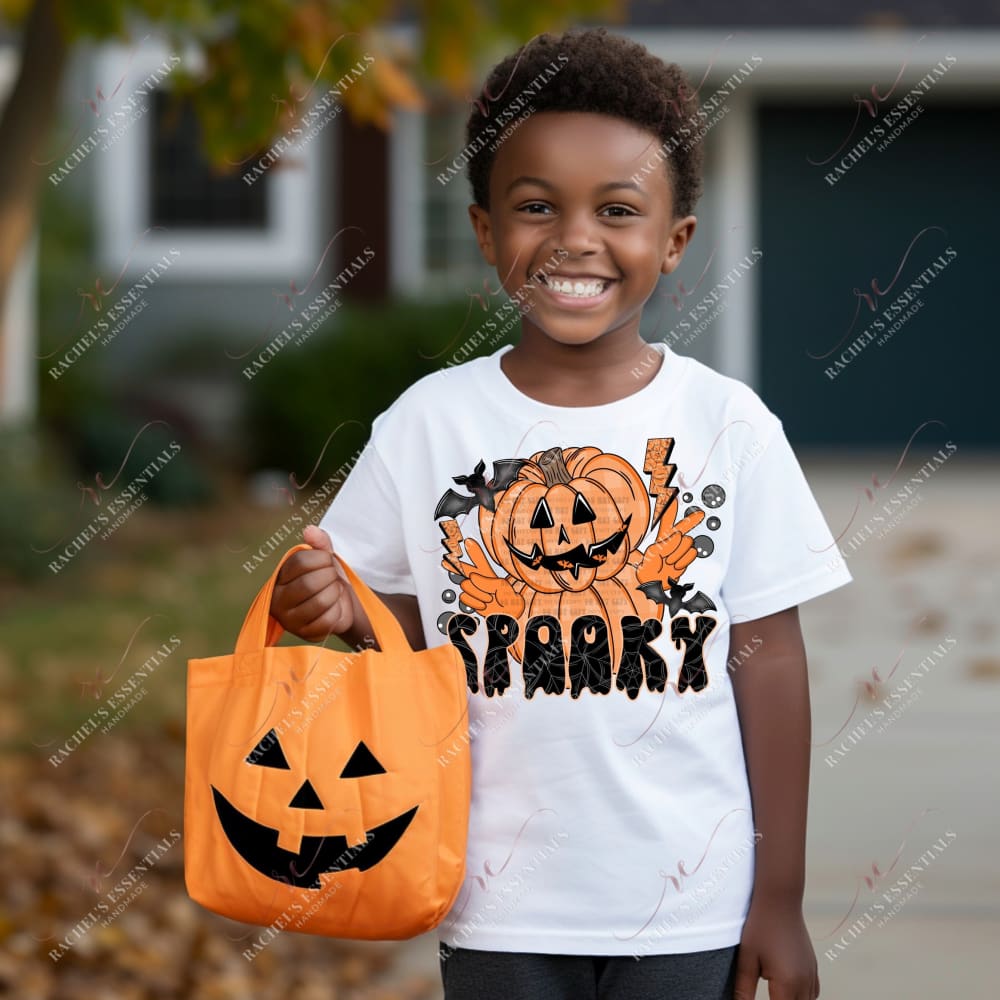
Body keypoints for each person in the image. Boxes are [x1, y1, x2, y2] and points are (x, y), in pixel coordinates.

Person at [270, 26, 851, 1000]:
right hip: (494, 898)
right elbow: (400, 648)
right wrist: (328, 610)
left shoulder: (726, 424)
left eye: (616, 209)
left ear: (674, 240)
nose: (574, 238)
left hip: (689, 898)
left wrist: (780, 897)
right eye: (536, 206)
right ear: (488, 230)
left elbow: (772, 659)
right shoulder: (429, 423)